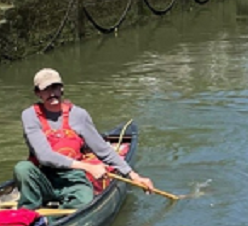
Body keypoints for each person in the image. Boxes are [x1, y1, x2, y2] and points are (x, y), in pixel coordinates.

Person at [13, 68, 154, 210]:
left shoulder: (79, 115)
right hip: (43, 175)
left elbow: (103, 150)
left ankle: (55, 218)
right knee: (22, 168)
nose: (52, 93)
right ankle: (28, 211)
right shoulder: (30, 115)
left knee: (85, 200)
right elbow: (45, 156)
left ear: (61, 89)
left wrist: (133, 175)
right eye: (46, 89)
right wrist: (89, 167)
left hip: (72, 178)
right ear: (38, 93)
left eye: (55, 87)